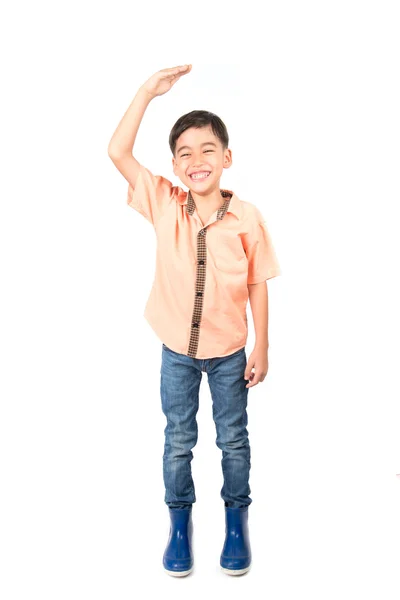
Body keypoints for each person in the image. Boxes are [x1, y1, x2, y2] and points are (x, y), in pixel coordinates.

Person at [108, 64, 282, 577]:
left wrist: (263, 347)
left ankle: (235, 523)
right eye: (184, 152)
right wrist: (146, 92)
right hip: (176, 354)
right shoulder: (164, 201)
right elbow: (117, 153)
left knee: (232, 439)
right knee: (178, 439)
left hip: (230, 353)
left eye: (207, 149)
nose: (196, 159)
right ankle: (179, 525)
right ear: (175, 166)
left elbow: (257, 281)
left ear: (227, 158)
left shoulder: (247, 216)